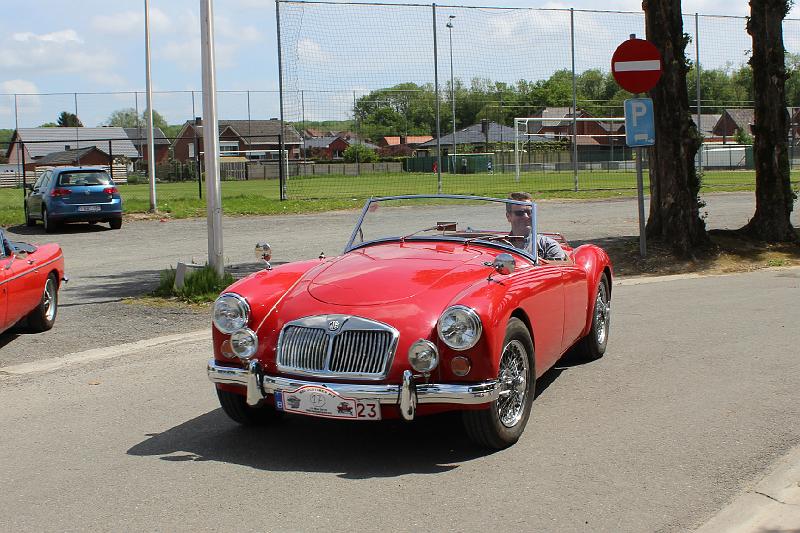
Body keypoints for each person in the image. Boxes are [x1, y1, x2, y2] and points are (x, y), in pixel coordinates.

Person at [506, 192, 568, 261]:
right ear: (508, 216)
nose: (526, 217)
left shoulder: (547, 245)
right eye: (520, 213)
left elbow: (558, 269)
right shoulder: (499, 246)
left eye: (529, 212)